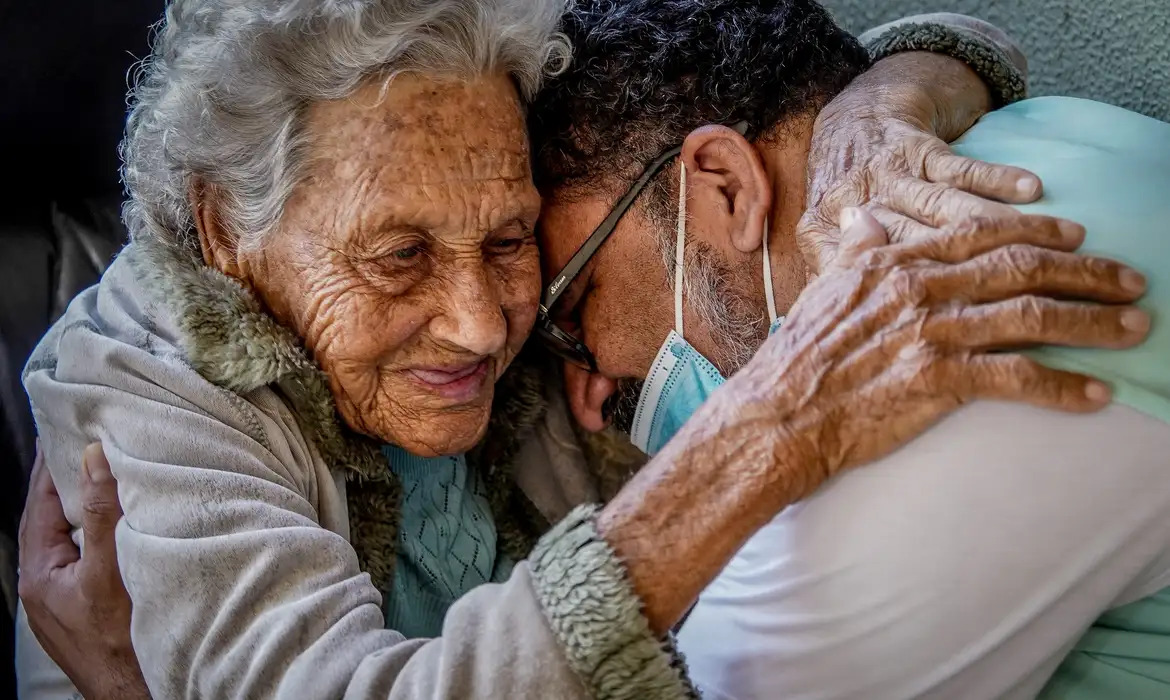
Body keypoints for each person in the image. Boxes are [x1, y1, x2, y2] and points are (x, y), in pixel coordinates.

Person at [13, 1, 1148, 699]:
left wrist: (886, 95)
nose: (483, 324)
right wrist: (767, 430)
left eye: (513, 242)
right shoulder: (148, 393)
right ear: (225, 230)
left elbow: (758, 99)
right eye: (399, 256)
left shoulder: (513, 265)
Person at [520, 1, 1170, 697]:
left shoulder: (930, 382)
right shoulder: (1053, 133)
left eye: (575, 306)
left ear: (726, 186)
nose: (588, 402)